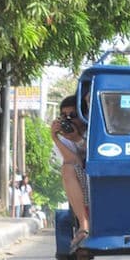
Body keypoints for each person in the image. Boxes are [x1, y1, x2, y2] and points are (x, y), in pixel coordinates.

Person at [51, 96, 90, 248]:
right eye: (64, 117)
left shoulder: (96, 128)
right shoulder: (65, 138)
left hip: (108, 180)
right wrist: (56, 138)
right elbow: (74, 162)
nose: (69, 120)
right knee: (67, 168)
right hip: (87, 188)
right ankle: (84, 224)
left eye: (73, 116)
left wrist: (80, 139)